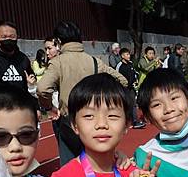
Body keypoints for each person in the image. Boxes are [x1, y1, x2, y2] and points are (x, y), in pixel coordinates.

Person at [37, 21, 128, 166]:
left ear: (59, 42)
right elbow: (122, 81)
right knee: (95, 159)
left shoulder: (58, 62)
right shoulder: (94, 61)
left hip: (68, 119)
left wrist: (49, 108)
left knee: (69, 162)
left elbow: (42, 89)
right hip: (93, 117)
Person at [116, 48, 147, 129]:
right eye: (127, 54)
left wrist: (135, 81)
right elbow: (117, 77)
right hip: (124, 88)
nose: (129, 56)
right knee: (124, 105)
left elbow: (133, 74)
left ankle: (135, 122)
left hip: (131, 88)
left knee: (133, 104)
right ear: (122, 56)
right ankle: (122, 121)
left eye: (129, 54)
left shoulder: (130, 64)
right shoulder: (119, 66)